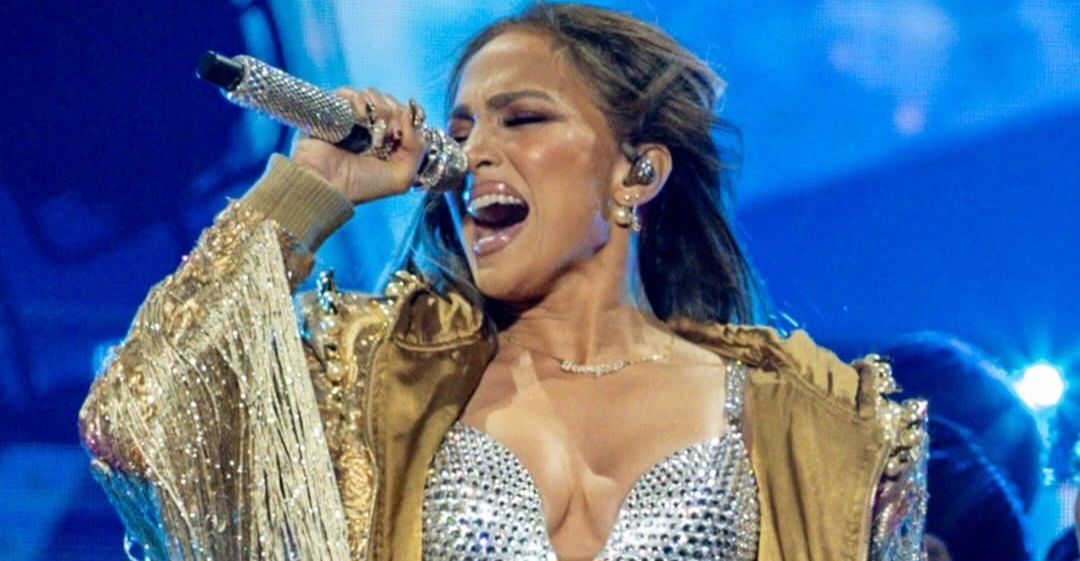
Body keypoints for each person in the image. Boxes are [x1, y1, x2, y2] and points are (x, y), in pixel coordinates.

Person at [79, 4, 927, 561]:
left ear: (636, 173)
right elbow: (134, 428)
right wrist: (306, 194)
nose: (475, 151)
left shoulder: (806, 419)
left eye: (523, 118)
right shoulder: (373, 388)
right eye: (462, 128)